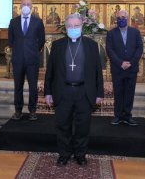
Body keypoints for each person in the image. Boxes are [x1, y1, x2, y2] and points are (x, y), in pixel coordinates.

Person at [44, 13, 104, 167]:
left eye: (76, 26)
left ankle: (80, 155)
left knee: (83, 126)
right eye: (70, 26)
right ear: (66, 27)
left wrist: (99, 93)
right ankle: (64, 154)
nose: (73, 28)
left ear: (82, 27)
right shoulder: (58, 45)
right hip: (63, 91)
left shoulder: (91, 45)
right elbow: (49, 71)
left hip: (84, 91)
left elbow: (98, 71)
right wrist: (48, 92)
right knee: (62, 125)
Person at [8, 0, 45, 121]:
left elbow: (41, 40)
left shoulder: (38, 22)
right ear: (20, 6)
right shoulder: (13, 22)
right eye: (23, 4)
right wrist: (19, 50)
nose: (26, 6)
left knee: (33, 86)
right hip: (18, 59)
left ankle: (32, 111)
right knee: (18, 86)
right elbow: (11, 40)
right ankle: (18, 111)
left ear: (32, 7)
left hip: (32, 60)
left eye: (28, 4)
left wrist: (33, 50)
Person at [106, 10, 143, 126]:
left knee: (129, 92)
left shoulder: (135, 32)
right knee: (118, 93)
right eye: (119, 17)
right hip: (118, 68)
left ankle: (127, 115)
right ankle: (117, 116)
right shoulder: (111, 33)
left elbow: (139, 48)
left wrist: (131, 62)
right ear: (116, 19)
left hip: (131, 69)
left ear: (127, 18)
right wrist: (120, 63)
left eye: (123, 17)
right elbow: (109, 50)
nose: (121, 19)